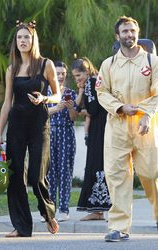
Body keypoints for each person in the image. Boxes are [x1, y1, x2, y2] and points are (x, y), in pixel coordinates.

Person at [0, 20, 61, 237]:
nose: (23, 41)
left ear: (33, 41)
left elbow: (58, 95)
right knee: (16, 177)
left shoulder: (46, 64)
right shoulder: (12, 68)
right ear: (16, 41)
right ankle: (21, 226)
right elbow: (7, 103)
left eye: (27, 37)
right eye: (19, 37)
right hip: (16, 126)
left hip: (39, 125)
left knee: (36, 175)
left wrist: (45, 97)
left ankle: (47, 212)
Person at [96, 16, 158, 242]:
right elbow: (102, 93)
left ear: (137, 33)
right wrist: (120, 107)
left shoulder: (152, 61)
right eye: (125, 31)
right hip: (118, 127)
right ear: (117, 36)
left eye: (132, 31)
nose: (129, 35)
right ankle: (119, 227)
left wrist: (146, 114)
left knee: (151, 173)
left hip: (145, 127)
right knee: (117, 177)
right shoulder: (108, 64)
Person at [72, 57, 111, 221]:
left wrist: (85, 111)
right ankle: (99, 209)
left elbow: (92, 110)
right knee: (98, 164)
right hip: (101, 128)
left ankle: (98, 210)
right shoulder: (94, 82)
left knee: (96, 164)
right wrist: (81, 93)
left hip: (99, 128)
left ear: (87, 71)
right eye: (75, 76)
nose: (77, 79)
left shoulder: (91, 83)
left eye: (79, 75)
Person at [47, 61, 77, 222]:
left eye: (62, 74)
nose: (59, 76)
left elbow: (73, 118)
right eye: (57, 73)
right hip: (49, 133)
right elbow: (41, 115)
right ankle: (50, 209)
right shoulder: (46, 93)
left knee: (65, 172)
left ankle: (64, 209)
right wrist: (56, 107)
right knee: (49, 172)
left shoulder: (71, 93)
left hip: (66, 133)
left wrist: (71, 107)